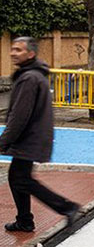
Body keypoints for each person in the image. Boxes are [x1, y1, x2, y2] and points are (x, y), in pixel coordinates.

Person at [1, 37, 80, 232]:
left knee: (21, 179)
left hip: (29, 138)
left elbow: (19, 116)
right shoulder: (33, 74)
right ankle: (25, 220)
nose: (13, 53)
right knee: (17, 177)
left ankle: (67, 207)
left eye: (18, 50)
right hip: (33, 136)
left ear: (30, 54)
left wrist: (3, 142)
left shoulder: (29, 78)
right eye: (12, 49)